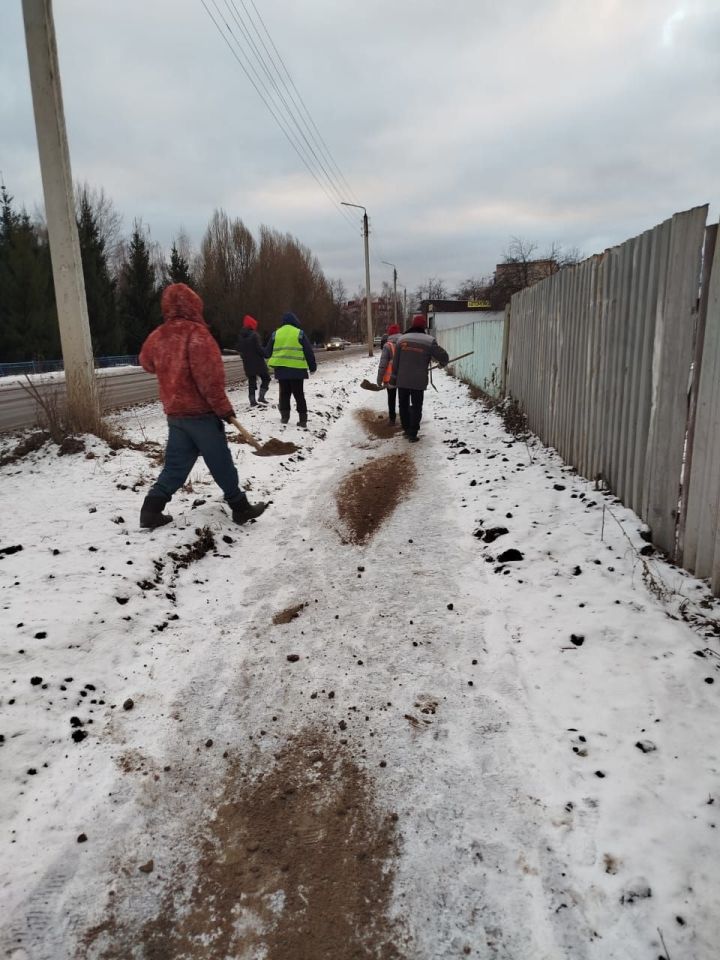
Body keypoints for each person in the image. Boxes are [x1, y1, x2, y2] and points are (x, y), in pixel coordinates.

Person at [137, 283, 268, 528]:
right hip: (200, 414)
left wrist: (168, 364)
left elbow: (145, 361)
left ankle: (151, 509)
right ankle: (240, 507)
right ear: (195, 305)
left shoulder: (159, 335)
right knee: (221, 461)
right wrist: (224, 409)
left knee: (176, 465)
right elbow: (209, 379)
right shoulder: (197, 335)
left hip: (175, 414)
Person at [390, 313, 449, 442]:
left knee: (403, 405)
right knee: (416, 406)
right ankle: (413, 433)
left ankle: (406, 430)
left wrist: (393, 379)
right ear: (424, 326)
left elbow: (396, 362)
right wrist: (442, 364)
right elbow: (444, 356)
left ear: (412, 325)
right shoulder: (429, 341)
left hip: (403, 379)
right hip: (418, 380)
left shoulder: (401, 340)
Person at [265, 311, 317, 427]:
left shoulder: (275, 334)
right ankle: (302, 420)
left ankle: (285, 417)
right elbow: (308, 352)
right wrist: (312, 367)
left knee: (284, 394)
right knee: (299, 395)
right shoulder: (300, 333)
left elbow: (267, 352)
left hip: (281, 370)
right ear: (295, 321)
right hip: (297, 371)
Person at [236, 314, 270, 407]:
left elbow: (241, 350)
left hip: (247, 363)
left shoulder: (241, 336)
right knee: (266, 378)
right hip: (258, 363)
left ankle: (252, 401)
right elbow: (259, 349)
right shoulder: (254, 335)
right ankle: (261, 397)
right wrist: (266, 354)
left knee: (252, 381)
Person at [376, 323, 401, 423]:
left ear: (389, 334)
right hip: (404, 376)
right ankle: (405, 418)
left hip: (390, 378)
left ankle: (392, 419)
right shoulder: (404, 343)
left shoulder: (388, 345)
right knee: (404, 398)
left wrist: (379, 379)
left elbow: (383, 364)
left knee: (391, 398)